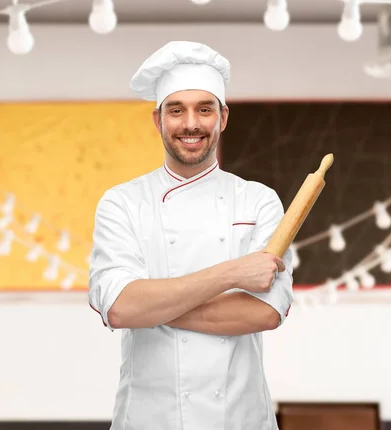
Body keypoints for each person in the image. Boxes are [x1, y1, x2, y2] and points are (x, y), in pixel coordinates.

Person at [88, 40, 294, 430]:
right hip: (151, 418)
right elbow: (119, 309)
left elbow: (266, 312)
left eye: (205, 108)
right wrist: (232, 274)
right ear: (157, 119)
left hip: (239, 418)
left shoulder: (259, 201)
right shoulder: (122, 203)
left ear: (224, 117)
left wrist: (154, 308)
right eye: (176, 110)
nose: (191, 124)